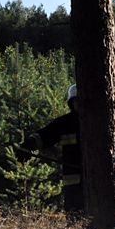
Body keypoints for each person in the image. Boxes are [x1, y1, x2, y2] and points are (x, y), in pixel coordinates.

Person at [21, 84, 83, 213]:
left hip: (99, 183)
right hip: (73, 182)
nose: (80, 104)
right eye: (77, 101)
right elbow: (46, 135)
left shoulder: (102, 122)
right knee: (75, 218)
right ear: (71, 103)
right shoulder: (65, 123)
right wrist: (28, 144)